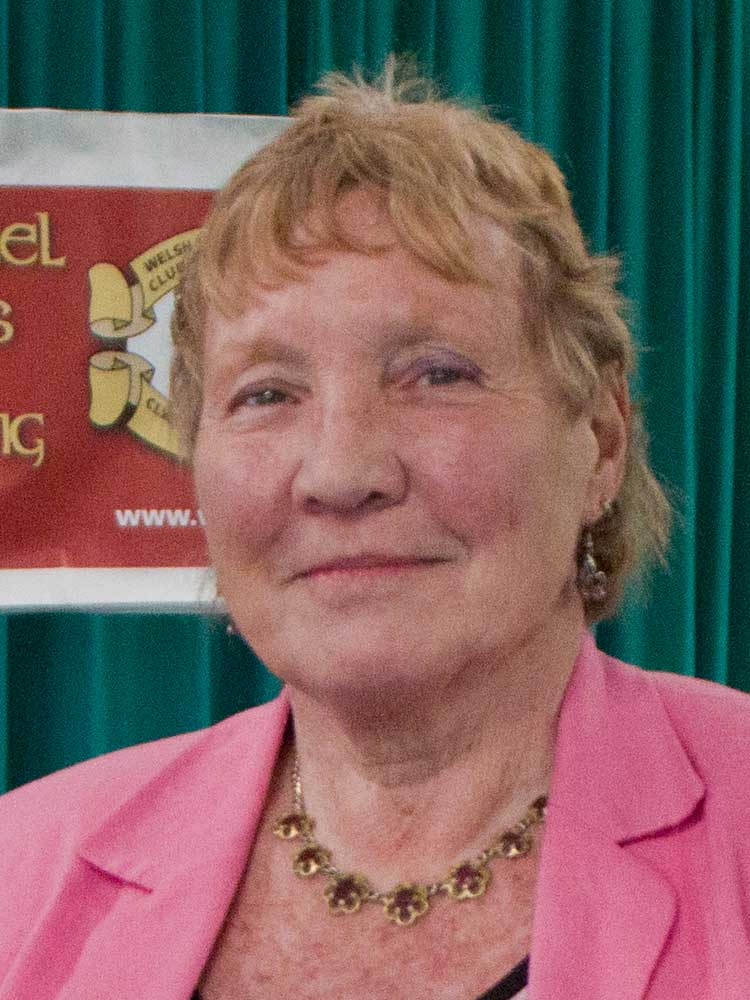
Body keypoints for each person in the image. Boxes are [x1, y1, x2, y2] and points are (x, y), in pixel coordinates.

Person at [1, 61, 750, 1000]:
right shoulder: (20, 872)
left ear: (600, 442)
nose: (341, 473)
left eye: (437, 375)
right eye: (266, 394)